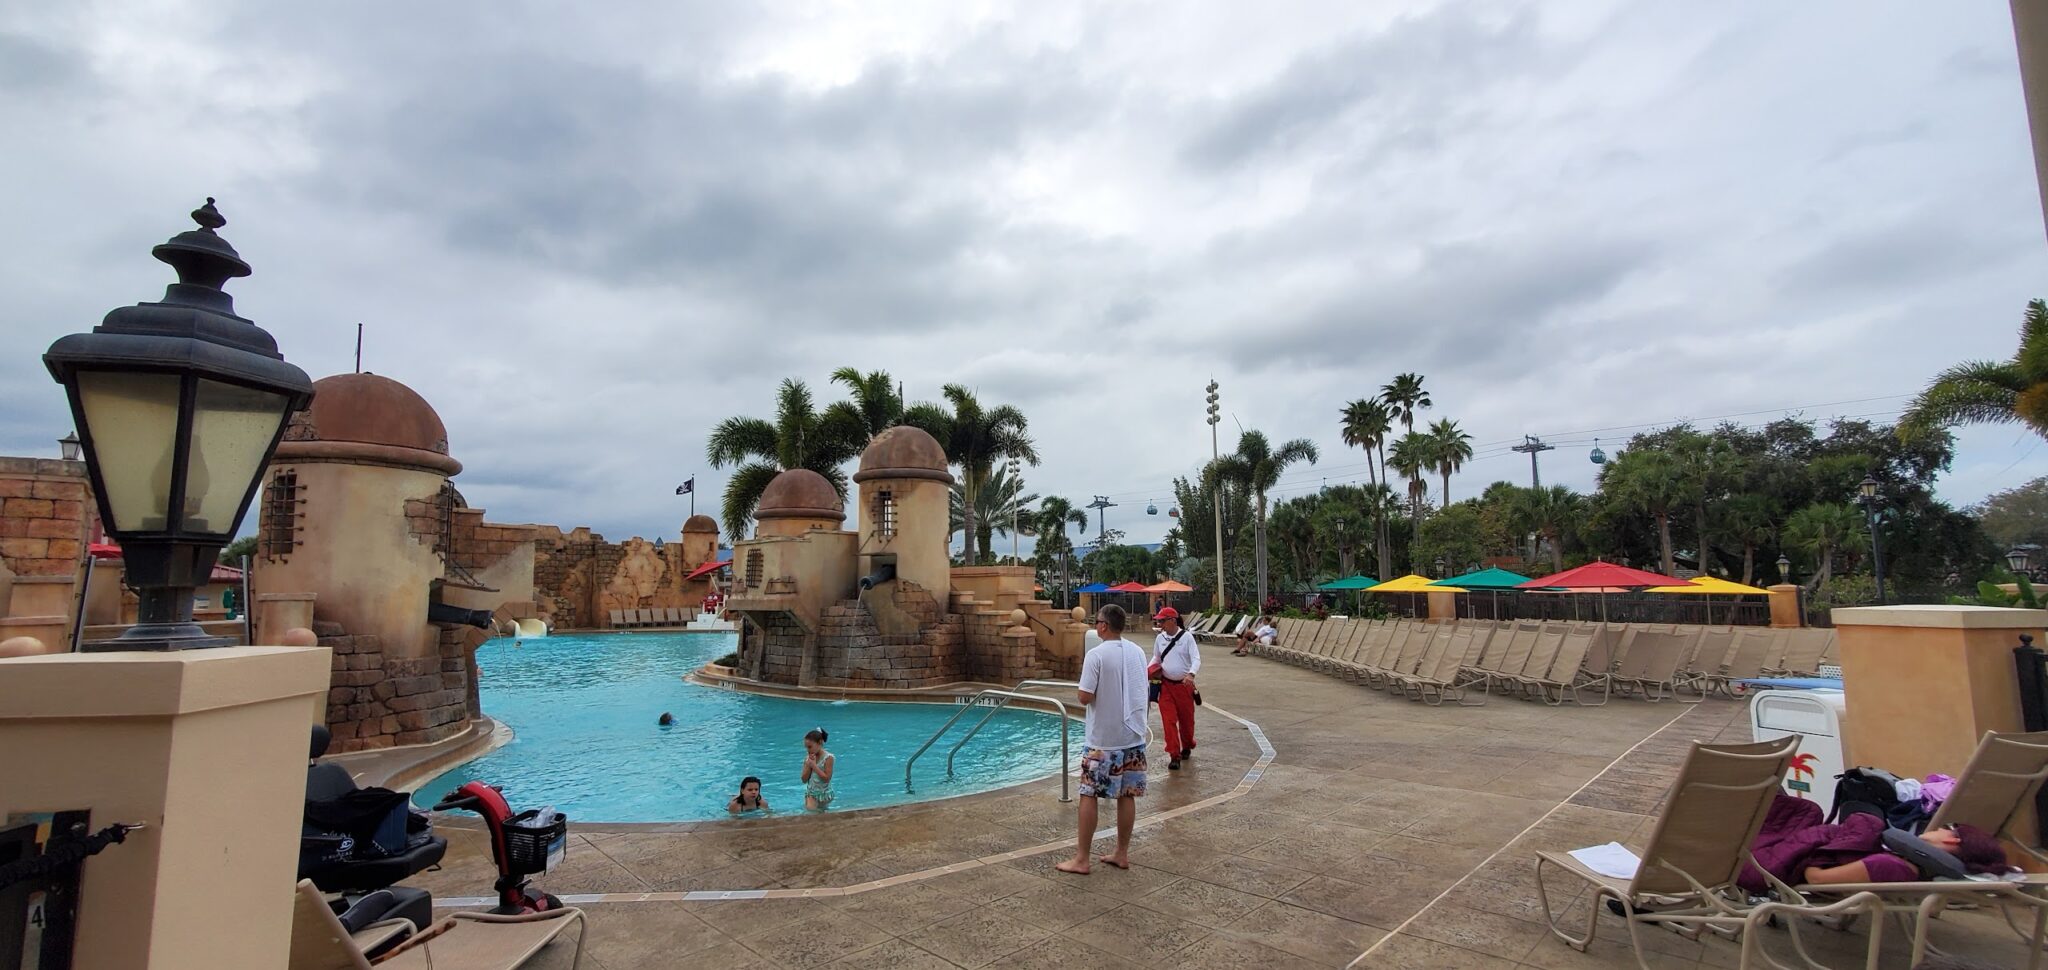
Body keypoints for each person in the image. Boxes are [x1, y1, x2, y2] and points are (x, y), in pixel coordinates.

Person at [1057, 604, 1149, 876]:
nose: (1095, 626)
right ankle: (1121, 853)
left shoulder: (1096, 655)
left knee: (1089, 794)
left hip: (1102, 742)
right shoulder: (1136, 652)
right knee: (1127, 795)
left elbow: (1084, 696)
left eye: (1096, 622)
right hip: (1132, 736)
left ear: (1103, 626)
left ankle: (1082, 859)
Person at [1149, 606, 1199, 769]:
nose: (1160, 624)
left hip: (1184, 687)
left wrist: (1191, 674)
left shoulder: (1187, 638)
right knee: (1168, 721)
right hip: (1166, 686)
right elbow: (1156, 658)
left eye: (1162, 621)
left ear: (1172, 620)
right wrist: (1147, 672)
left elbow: (1196, 659)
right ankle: (1174, 755)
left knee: (1186, 721)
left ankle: (1187, 744)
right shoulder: (1160, 639)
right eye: (1159, 621)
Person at [801, 727, 835, 810]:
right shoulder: (808, 758)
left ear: (819, 743)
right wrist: (809, 765)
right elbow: (804, 779)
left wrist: (814, 766)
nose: (808, 750)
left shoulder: (828, 758)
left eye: (810, 747)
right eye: (806, 747)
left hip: (825, 794)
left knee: (822, 813)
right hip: (811, 794)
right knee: (810, 811)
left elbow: (827, 778)